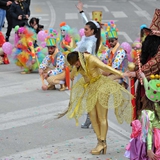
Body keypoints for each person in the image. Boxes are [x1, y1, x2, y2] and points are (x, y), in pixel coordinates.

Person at [58, 51, 132, 155]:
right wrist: (72, 75)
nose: (75, 66)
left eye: (76, 64)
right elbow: (74, 70)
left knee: (101, 117)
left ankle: (102, 142)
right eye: (74, 65)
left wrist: (120, 74)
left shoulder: (91, 59)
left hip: (102, 88)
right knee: (92, 116)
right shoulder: (78, 64)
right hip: (90, 88)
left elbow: (105, 67)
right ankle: (99, 141)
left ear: (79, 59)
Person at [127, 9, 160, 120]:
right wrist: (131, 71)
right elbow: (141, 59)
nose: (150, 38)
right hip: (144, 84)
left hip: (156, 86)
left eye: (153, 36)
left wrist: (137, 73)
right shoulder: (147, 46)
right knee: (143, 112)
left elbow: (154, 63)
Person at [124, 72, 160, 160]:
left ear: (145, 97)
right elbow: (149, 89)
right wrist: (144, 77)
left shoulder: (146, 113)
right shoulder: (157, 107)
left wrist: (149, 150)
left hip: (149, 142)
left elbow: (148, 132)